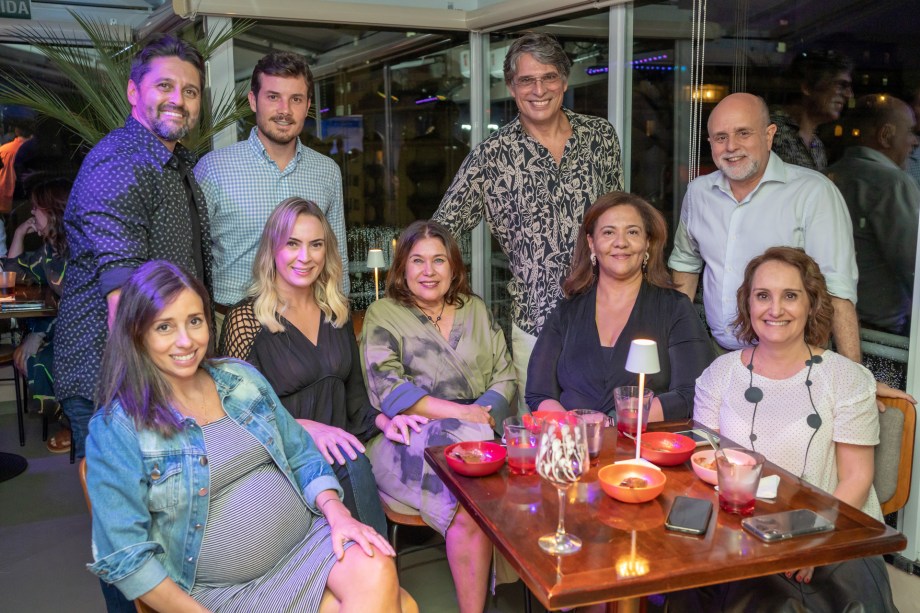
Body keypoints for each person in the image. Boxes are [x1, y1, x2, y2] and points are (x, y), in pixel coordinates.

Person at [85, 261, 415, 613]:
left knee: (376, 563)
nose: (186, 340)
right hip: (217, 589)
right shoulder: (117, 428)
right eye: (164, 327)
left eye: (195, 321)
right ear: (137, 333)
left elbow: (301, 453)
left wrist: (339, 515)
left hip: (307, 544)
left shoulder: (239, 378)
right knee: (398, 605)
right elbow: (126, 555)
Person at [677, 247, 897, 611]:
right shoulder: (719, 375)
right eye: (763, 296)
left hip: (834, 532)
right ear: (748, 304)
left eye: (790, 296)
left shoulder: (847, 379)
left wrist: (815, 541)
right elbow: (703, 467)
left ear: (811, 304)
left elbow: (857, 478)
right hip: (740, 537)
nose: (775, 309)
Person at [433, 32, 624, 414]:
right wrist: (456, 305)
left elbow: (619, 218)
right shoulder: (491, 156)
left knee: (606, 438)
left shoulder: (599, 137)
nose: (539, 89)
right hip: (535, 326)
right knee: (542, 443)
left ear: (564, 81)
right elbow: (441, 232)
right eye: (526, 80)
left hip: (606, 319)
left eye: (549, 77)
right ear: (511, 86)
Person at [220, 198, 422, 536]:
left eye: (316, 245)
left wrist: (387, 421)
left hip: (341, 448)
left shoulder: (335, 311)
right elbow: (241, 416)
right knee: (354, 467)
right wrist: (305, 428)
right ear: (273, 248)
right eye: (293, 244)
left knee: (387, 457)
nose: (305, 256)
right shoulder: (246, 320)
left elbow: (354, 394)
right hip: (283, 459)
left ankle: (378, 576)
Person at [55, 35, 213, 460]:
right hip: (117, 383)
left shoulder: (171, 161)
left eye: (190, 90)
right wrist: (148, 397)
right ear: (133, 92)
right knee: (131, 519)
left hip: (158, 370)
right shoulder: (120, 162)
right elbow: (122, 298)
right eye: (165, 86)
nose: (178, 99)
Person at [360, 220, 516, 613]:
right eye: (417, 261)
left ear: (454, 267)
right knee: (474, 498)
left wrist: (484, 418)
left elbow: (506, 374)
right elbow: (389, 390)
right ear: (402, 268)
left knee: (493, 487)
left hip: (481, 431)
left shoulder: (475, 309)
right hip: (406, 437)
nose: (428, 271)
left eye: (438, 260)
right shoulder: (383, 313)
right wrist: (464, 414)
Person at [527, 192, 713, 420]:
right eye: (608, 232)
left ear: (648, 242)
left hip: (645, 449)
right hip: (575, 446)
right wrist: (576, 426)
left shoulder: (675, 309)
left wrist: (621, 420)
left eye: (632, 232)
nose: (621, 242)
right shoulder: (567, 312)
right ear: (591, 243)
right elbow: (538, 393)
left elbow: (693, 392)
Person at [195, 51, 348, 312]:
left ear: (308, 104)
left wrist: (340, 317)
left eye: (295, 99)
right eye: (273, 97)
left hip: (307, 322)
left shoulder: (327, 171)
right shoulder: (213, 169)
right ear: (253, 101)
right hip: (234, 320)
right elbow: (193, 258)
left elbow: (337, 257)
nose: (285, 110)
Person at [827, 94, 920, 335]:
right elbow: (914, 266)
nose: (914, 141)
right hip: (884, 335)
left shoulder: (828, 176)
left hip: (833, 326)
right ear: (886, 135)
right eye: (910, 131)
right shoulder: (894, 184)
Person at [1, 178, 70, 452]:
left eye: (35, 209)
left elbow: (81, 307)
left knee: (33, 357)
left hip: (86, 336)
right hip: (58, 327)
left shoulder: (75, 252)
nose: (32, 214)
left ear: (53, 213)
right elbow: (10, 281)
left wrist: (39, 334)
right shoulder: (48, 251)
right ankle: (70, 420)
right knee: (26, 356)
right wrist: (19, 234)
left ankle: (75, 424)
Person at [770, 50, 854, 171]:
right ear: (807, 87)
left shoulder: (817, 146)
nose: (849, 95)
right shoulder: (769, 132)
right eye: (841, 85)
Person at [0, 122, 33, 216]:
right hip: (21, 202)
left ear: (16, 131)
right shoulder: (31, 152)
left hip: (2, 200)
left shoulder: (3, 149)